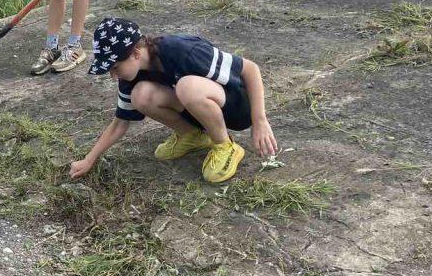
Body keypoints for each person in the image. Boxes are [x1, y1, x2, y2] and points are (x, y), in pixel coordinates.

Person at [69, 17, 278, 184]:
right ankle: (192, 136)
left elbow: (250, 68)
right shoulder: (131, 77)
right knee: (140, 95)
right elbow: (119, 123)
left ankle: (225, 146)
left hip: (236, 106)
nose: (114, 76)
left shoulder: (180, 49)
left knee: (187, 86)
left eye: (115, 68)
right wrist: (89, 159)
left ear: (135, 53)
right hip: (200, 110)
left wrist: (259, 120)